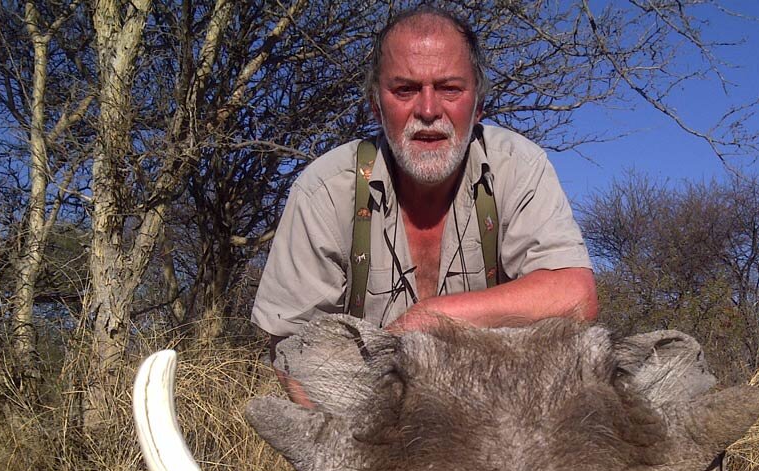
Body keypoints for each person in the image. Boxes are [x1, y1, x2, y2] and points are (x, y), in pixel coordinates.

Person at [251, 6, 597, 399]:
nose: (429, 111)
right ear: (376, 107)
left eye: (450, 88)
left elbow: (574, 295)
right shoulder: (323, 189)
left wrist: (429, 320)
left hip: (496, 412)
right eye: (405, 90)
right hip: (370, 420)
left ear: (479, 106)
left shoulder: (520, 167)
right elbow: (293, 348)